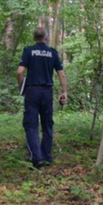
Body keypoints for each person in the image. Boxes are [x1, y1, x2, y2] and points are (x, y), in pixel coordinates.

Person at [17, 28, 67, 169]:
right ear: (46, 37)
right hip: (47, 92)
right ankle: (47, 157)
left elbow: (20, 71)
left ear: (34, 38)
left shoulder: (28, 51)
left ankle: (36, 158)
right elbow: (61, 74)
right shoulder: (52, 53)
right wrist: (64, 92)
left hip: (32, 91)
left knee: (31, 125)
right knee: (47, 124)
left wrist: (22, 86)